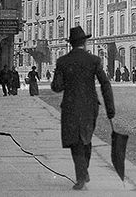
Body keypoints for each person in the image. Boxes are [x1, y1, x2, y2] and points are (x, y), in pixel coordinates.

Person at [51, 26, 115, 190]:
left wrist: (64, 76)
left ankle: (81, 175)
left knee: (75, 141)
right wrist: (110, 109)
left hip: (70, 106)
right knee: (86, 138)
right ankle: (83, 171)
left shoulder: (62, 61)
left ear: (70, 43)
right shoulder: (94, 60)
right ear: (84, 43)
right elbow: (105, 84)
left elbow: (56, 87)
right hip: (90, 106)